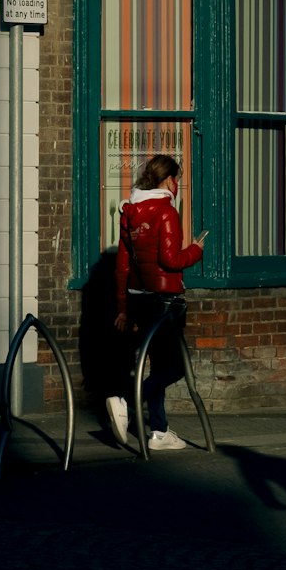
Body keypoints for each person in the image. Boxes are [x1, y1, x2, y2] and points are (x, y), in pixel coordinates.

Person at [106, 154, 206, 452]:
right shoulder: (166, 212)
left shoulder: (130, 212)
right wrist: (196, 250)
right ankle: (125, 399)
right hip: (165, 301)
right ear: (168, 180)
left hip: (139, 297)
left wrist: (123, 308)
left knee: (157, 364)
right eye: (175, 179)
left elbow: (123, 266)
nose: (177, 185)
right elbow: (170, 260)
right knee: (175, 368)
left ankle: (160, 432)